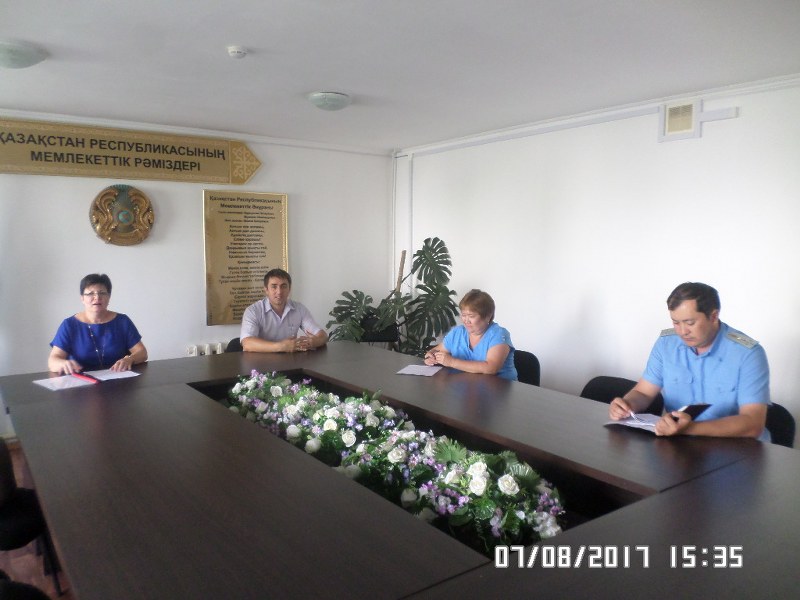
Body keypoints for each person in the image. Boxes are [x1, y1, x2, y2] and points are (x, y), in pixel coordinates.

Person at [609, 282, 769, 439]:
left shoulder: (748, 354)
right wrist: (627, 405)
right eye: (676, 322)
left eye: (690, 323)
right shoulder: (666, 344)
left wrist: (690, 428)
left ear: (714, 316)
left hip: (735, 447)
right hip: (679, 442)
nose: (682, 331)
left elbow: (753, 423)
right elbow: (643, 392)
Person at [48, 273, 147, 374]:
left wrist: (129, 359)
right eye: (90, 293)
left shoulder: (122, 321)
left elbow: (142, 353)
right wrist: (62, 363)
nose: (97, 297)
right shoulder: (69, 325)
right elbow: (53, 361)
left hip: (119, 379)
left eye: (102, 293)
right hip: (81, 381)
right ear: (82, 298)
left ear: (109, 297)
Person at [424, 289, 517, 380]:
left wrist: (452, 362)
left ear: (488, 316)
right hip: (465, 386)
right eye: (463, 315)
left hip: (498, 387)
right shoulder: (457, 332)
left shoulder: (499, 334)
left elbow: (491, 368)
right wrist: (430, 356)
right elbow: (436, 350)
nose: (466, 320)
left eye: (471, 316)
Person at [240, 268, 328, 353]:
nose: (279, 292)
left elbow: (323, 335)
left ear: (289, 289)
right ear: (266, 290)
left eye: (283, 286)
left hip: (290, 360)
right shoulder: (253, 311)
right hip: (261, 361)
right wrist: (281, 347)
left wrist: (314, 342)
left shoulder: (299, 309)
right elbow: (247, 343)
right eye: (274, 287)